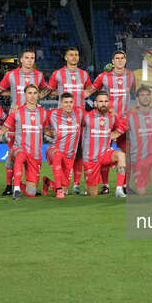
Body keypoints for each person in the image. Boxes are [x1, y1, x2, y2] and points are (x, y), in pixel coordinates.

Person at [0, 48, 47, 196]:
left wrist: (40, 100)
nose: (29, 60)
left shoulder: (39, 76)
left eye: (32, 58)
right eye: (26, 57)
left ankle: (27, 183)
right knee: (12, 153)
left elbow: (45, 90)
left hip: (32, 116)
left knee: (32, 151)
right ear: (21, 60)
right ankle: (9, 185)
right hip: (16, 118)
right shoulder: (11, 75)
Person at [85, 50, 136, 194]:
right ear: (112, 61)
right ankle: (106, 186)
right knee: (103, 152)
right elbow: (90, 91)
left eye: (122, 58)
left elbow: (138, 93)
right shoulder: (104, 77)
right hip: (107, 121)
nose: (120, 61)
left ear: (125, 60)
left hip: (125, 123)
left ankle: (125, 185)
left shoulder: (131, 76)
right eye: (117, 58)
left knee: (128, 155)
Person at [46, 46, 91, 195]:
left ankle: (76, 185)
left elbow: (89, 90)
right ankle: (61, 183)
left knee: (80, 152)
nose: (74, 57)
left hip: (80, 117)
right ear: (65, 57)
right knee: (62, 151)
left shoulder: (84, 75)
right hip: (62, 119)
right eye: (71, 55)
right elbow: (49, 90)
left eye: (76, 55)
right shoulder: (58, 74)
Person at [0, 84, 47, 200]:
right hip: (20, 148)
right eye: (29, 93)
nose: (32, 96)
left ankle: (23, 183)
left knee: (31, 193)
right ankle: (16, 190)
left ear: (38, 95)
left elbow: (45, 130)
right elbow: (4, 128)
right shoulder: (17, 112)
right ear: (25, 95)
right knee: (20, 155)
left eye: (35, 93)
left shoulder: (43, 113)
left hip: (35, 153)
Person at [81, 91, 127, 197]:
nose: (103, 104)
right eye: (100, 101)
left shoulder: (112, 117)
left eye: (106, 101)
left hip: (105, 154)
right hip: (90, 159)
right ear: (95, 103)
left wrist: (115, 135)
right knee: (93, 193)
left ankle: (119, 189)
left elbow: (119, 129)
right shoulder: (86, 117)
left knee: (121, 155)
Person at [42, 92, 84, 198]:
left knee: (66, 189)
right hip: (54, 149)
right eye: (66, 102)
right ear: (61, 103)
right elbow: (42, 124)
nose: (68, 105)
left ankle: (47, 182)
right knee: (58, 154)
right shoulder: (52, 113)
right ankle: (59, 190)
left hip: (69, 156)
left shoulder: (79, 112)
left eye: (70, 102)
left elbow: (92, 117)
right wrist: (49, 132)